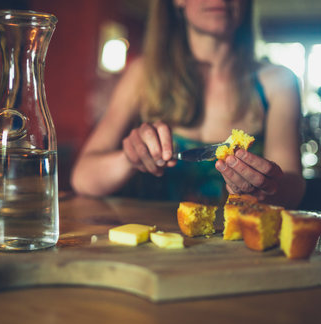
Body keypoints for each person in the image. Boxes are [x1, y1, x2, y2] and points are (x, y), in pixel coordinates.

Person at [70, 0, 305, 209]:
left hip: (243, 250)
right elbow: (83, 178)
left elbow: (293, 188)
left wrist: (264, 189)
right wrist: (130, 158)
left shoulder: (279, 82)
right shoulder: (142, 74)